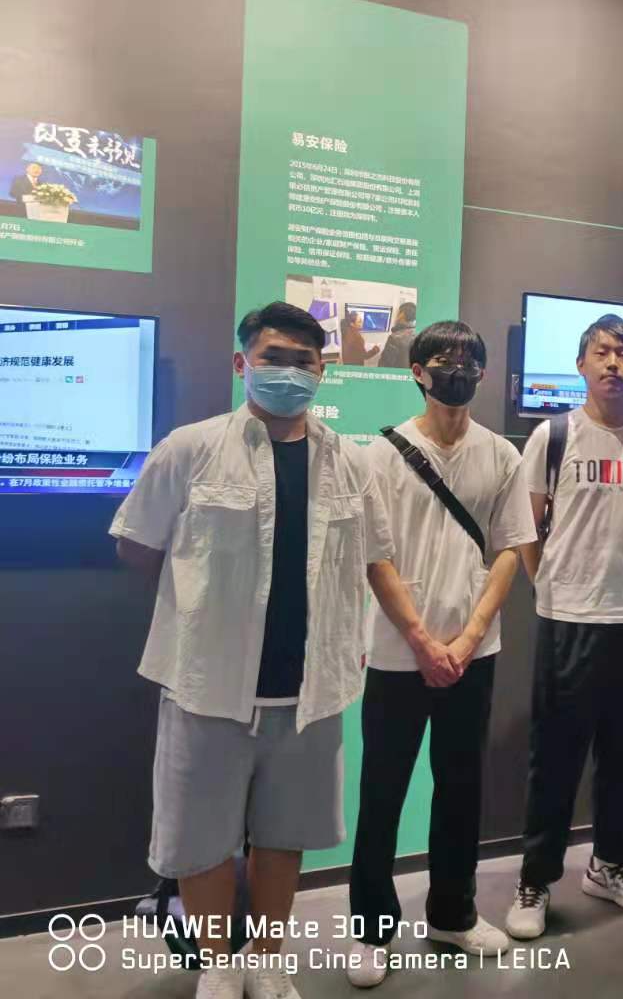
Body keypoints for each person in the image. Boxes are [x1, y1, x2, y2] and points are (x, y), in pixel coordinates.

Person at [110, 302, 394, 999]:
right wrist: (203, 610)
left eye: (304, 361)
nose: (288, 372)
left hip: (309, 690)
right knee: (202, 838)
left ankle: (266, 958)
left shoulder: (351, 462)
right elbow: (137, 546)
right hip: (207, 685)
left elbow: (372, 557)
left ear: (323, 372)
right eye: (273, 358)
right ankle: (219, 963)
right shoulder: (191, 448)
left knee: (282, 834)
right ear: (242, 362)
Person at [346, 321, 536, 988]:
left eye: (468, 360)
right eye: (442, 359)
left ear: (482, 373)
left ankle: (453, 913)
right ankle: (371, 928)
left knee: (461, 788)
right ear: (417, 371)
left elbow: (510, 549)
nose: (456, 369)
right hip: (398, 654)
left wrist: (468, 637)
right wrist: (425, 642)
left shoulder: (501, 455)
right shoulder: (379, 455)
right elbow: (375, 557)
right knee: (382, 792)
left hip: (473, 655)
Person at [504, 314, 623, 940]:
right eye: (601, 352)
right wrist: (547, 586)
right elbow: (526, 529)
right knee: (554, 756)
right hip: (568, 618)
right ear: (581, 364)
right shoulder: (553, 436)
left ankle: (610, 865)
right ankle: (535, 879)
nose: (613, 363)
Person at [376, 302, 417, 369]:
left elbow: (385, 365)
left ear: (402, 315)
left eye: (398, 313)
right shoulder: (419, 335)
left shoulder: (395, 338)